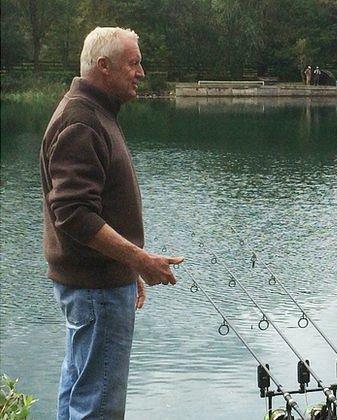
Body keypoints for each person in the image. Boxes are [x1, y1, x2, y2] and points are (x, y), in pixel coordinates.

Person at [40, 27, 184, 419]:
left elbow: (84, 212)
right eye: (133, 63)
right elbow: (73, 213)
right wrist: (137, 259)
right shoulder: (82, 120)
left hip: (95, 282)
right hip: (95, 289)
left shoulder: (93, 112)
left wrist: (123, 263)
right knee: (98, 406)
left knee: (80, 393)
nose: (141, 72)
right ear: (104, 67)